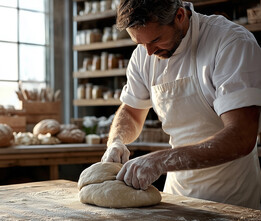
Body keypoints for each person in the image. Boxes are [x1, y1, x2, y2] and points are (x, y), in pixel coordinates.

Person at [101, 0, 261, 209]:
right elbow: (131, 112)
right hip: (178, 198)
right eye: (141, 44)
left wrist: (160, 161)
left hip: (231, 199)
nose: (148, 52)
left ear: (179, 16)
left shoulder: (230, 42)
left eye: (156, 40)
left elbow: (241, 136)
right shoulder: (144, 54)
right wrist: (116, 140)